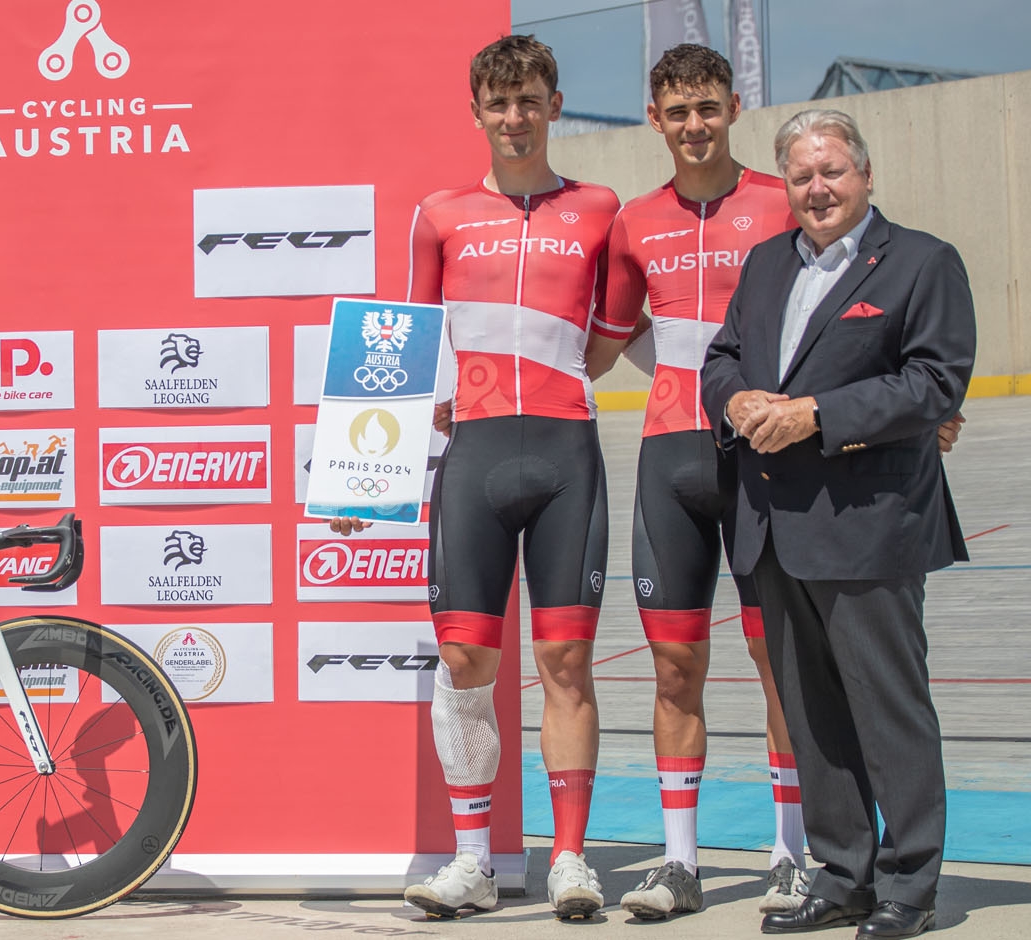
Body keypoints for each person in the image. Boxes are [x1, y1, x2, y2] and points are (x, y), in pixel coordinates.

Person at [332, 33, 632, 920]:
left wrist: (551, 382)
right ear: (477, 113)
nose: (515, 118)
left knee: (565, 659)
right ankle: (473, 863)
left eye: (530, 100)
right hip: (477, 456)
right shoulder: (439, 213)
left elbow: (611, 338)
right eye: (499, 104)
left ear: (554, 104)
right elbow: (397, 346)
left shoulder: (602, 207)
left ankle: (570, 858)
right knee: (464, 658)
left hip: (566, 450)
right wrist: (359, 474)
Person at [701, 108, 974, 939]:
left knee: (886, 707)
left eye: (832, 172)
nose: (816, 189)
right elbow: (721, 358)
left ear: (864, 175)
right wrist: (737, 400)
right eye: (800, 176)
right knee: (814, 714)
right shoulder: (765, 263)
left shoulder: (922, 262)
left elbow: (935, 384)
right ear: (784, 185)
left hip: (868, 524)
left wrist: (818, 413)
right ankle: (843, 870)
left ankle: (909, 883)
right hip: (773, 524)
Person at [599, 44, 806, 920]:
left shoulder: (779, 201)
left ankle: (793, 854)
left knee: (780, 664)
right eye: (677, 112)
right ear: (655, 119)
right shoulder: (633, 221)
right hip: (672, 460)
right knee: (675, 668)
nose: (694, 126)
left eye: (708, 109)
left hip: (767, 463)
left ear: (733, 108)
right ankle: (680, 863)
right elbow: (604, 337)